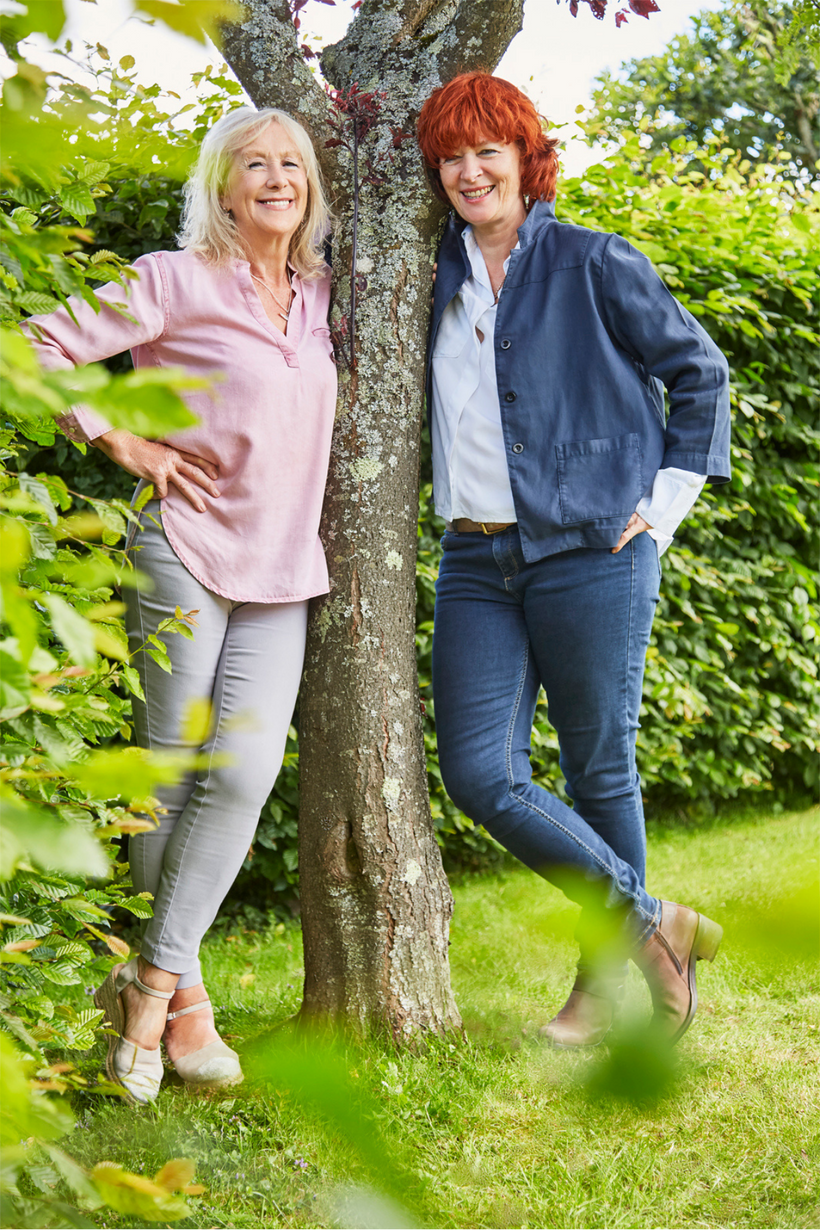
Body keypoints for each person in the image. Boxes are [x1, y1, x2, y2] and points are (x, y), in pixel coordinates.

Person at [25, 106, 337, 1100]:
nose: (277, 178)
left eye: (292, 163)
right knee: (165, 776)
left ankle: (150, 985)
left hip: (284, 569)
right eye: (255, 163)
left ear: (311, 187)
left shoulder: (328, 296)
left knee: (241, 775)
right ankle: (186, 1010)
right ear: (222, 184)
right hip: (186, 553)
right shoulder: (173, 278)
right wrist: (121, 440)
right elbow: (37, 345)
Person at [417, 72, 730, 1048]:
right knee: (477, 773)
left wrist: (662, 508)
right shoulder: (429, 277)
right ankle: (652, 926)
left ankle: (603, 986)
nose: (469, 171)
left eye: (486, 151)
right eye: (451, 157)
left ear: (523, 157)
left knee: (600, 767)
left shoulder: (594, 262)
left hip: (594, 548)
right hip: (474, 560)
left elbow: (699, 374)